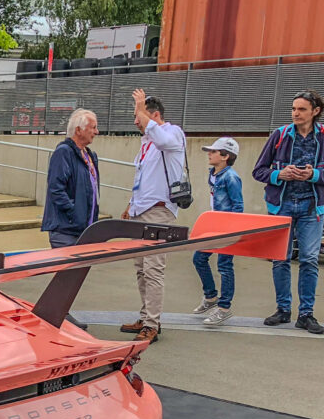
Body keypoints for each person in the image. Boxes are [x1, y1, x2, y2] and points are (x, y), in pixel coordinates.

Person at [252, 89, 324, 334]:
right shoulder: (280, 135)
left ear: (315, 112)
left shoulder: (323, 137)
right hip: (281, 206)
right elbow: (258, 170)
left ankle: (306, 314)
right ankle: (283, 310)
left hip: (312, 208)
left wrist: (314, 174)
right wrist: (278, 174)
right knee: (280, 259)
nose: (296, 113)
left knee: (309, 260)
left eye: (302, 109)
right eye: (293, 108)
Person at [119, 91, 187, 344]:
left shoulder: (172, 133)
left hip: (159, 211)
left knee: (153, 268)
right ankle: (146, 316)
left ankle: (152, 323)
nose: (135, 122)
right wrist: (131, 205)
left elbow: (164, 141)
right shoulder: (147, 141)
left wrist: (141, 109)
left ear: (154, 115)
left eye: (138, 116)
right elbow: (142, 178)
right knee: (141, 268)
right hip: (142, 210)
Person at [192, 137, 243, 326]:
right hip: (215, 225)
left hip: (227, 228)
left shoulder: (231, 177)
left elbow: (238, 205)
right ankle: (211, 297)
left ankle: (224, 308)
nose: (209, 153)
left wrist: (233, 231)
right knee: (199, 258)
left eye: (213, 151)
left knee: (224, 266)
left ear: (225, 156)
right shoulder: (213, 174)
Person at [41, 108, 100, 248]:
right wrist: (74, 212)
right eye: (93, 127)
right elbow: (56, 189)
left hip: (84, 230)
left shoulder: (89, 155)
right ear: (79, 130)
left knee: (79, 270)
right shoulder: (63, 153)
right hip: (66, 231)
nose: (97, 132)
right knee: (69, 270)